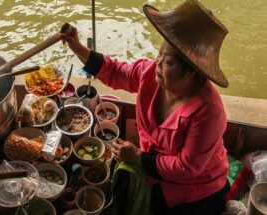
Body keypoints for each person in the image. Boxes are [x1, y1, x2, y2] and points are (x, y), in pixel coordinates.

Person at [60, 0, 230, 214]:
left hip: (194, 184)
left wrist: (139, 157)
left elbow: (187, 168)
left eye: (168, 62)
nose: (157, 64)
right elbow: (116, 72)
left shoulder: (208, 113)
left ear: (192, 72)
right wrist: (77, 46)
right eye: (159, 54)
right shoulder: (150, 75)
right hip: (151, 162)